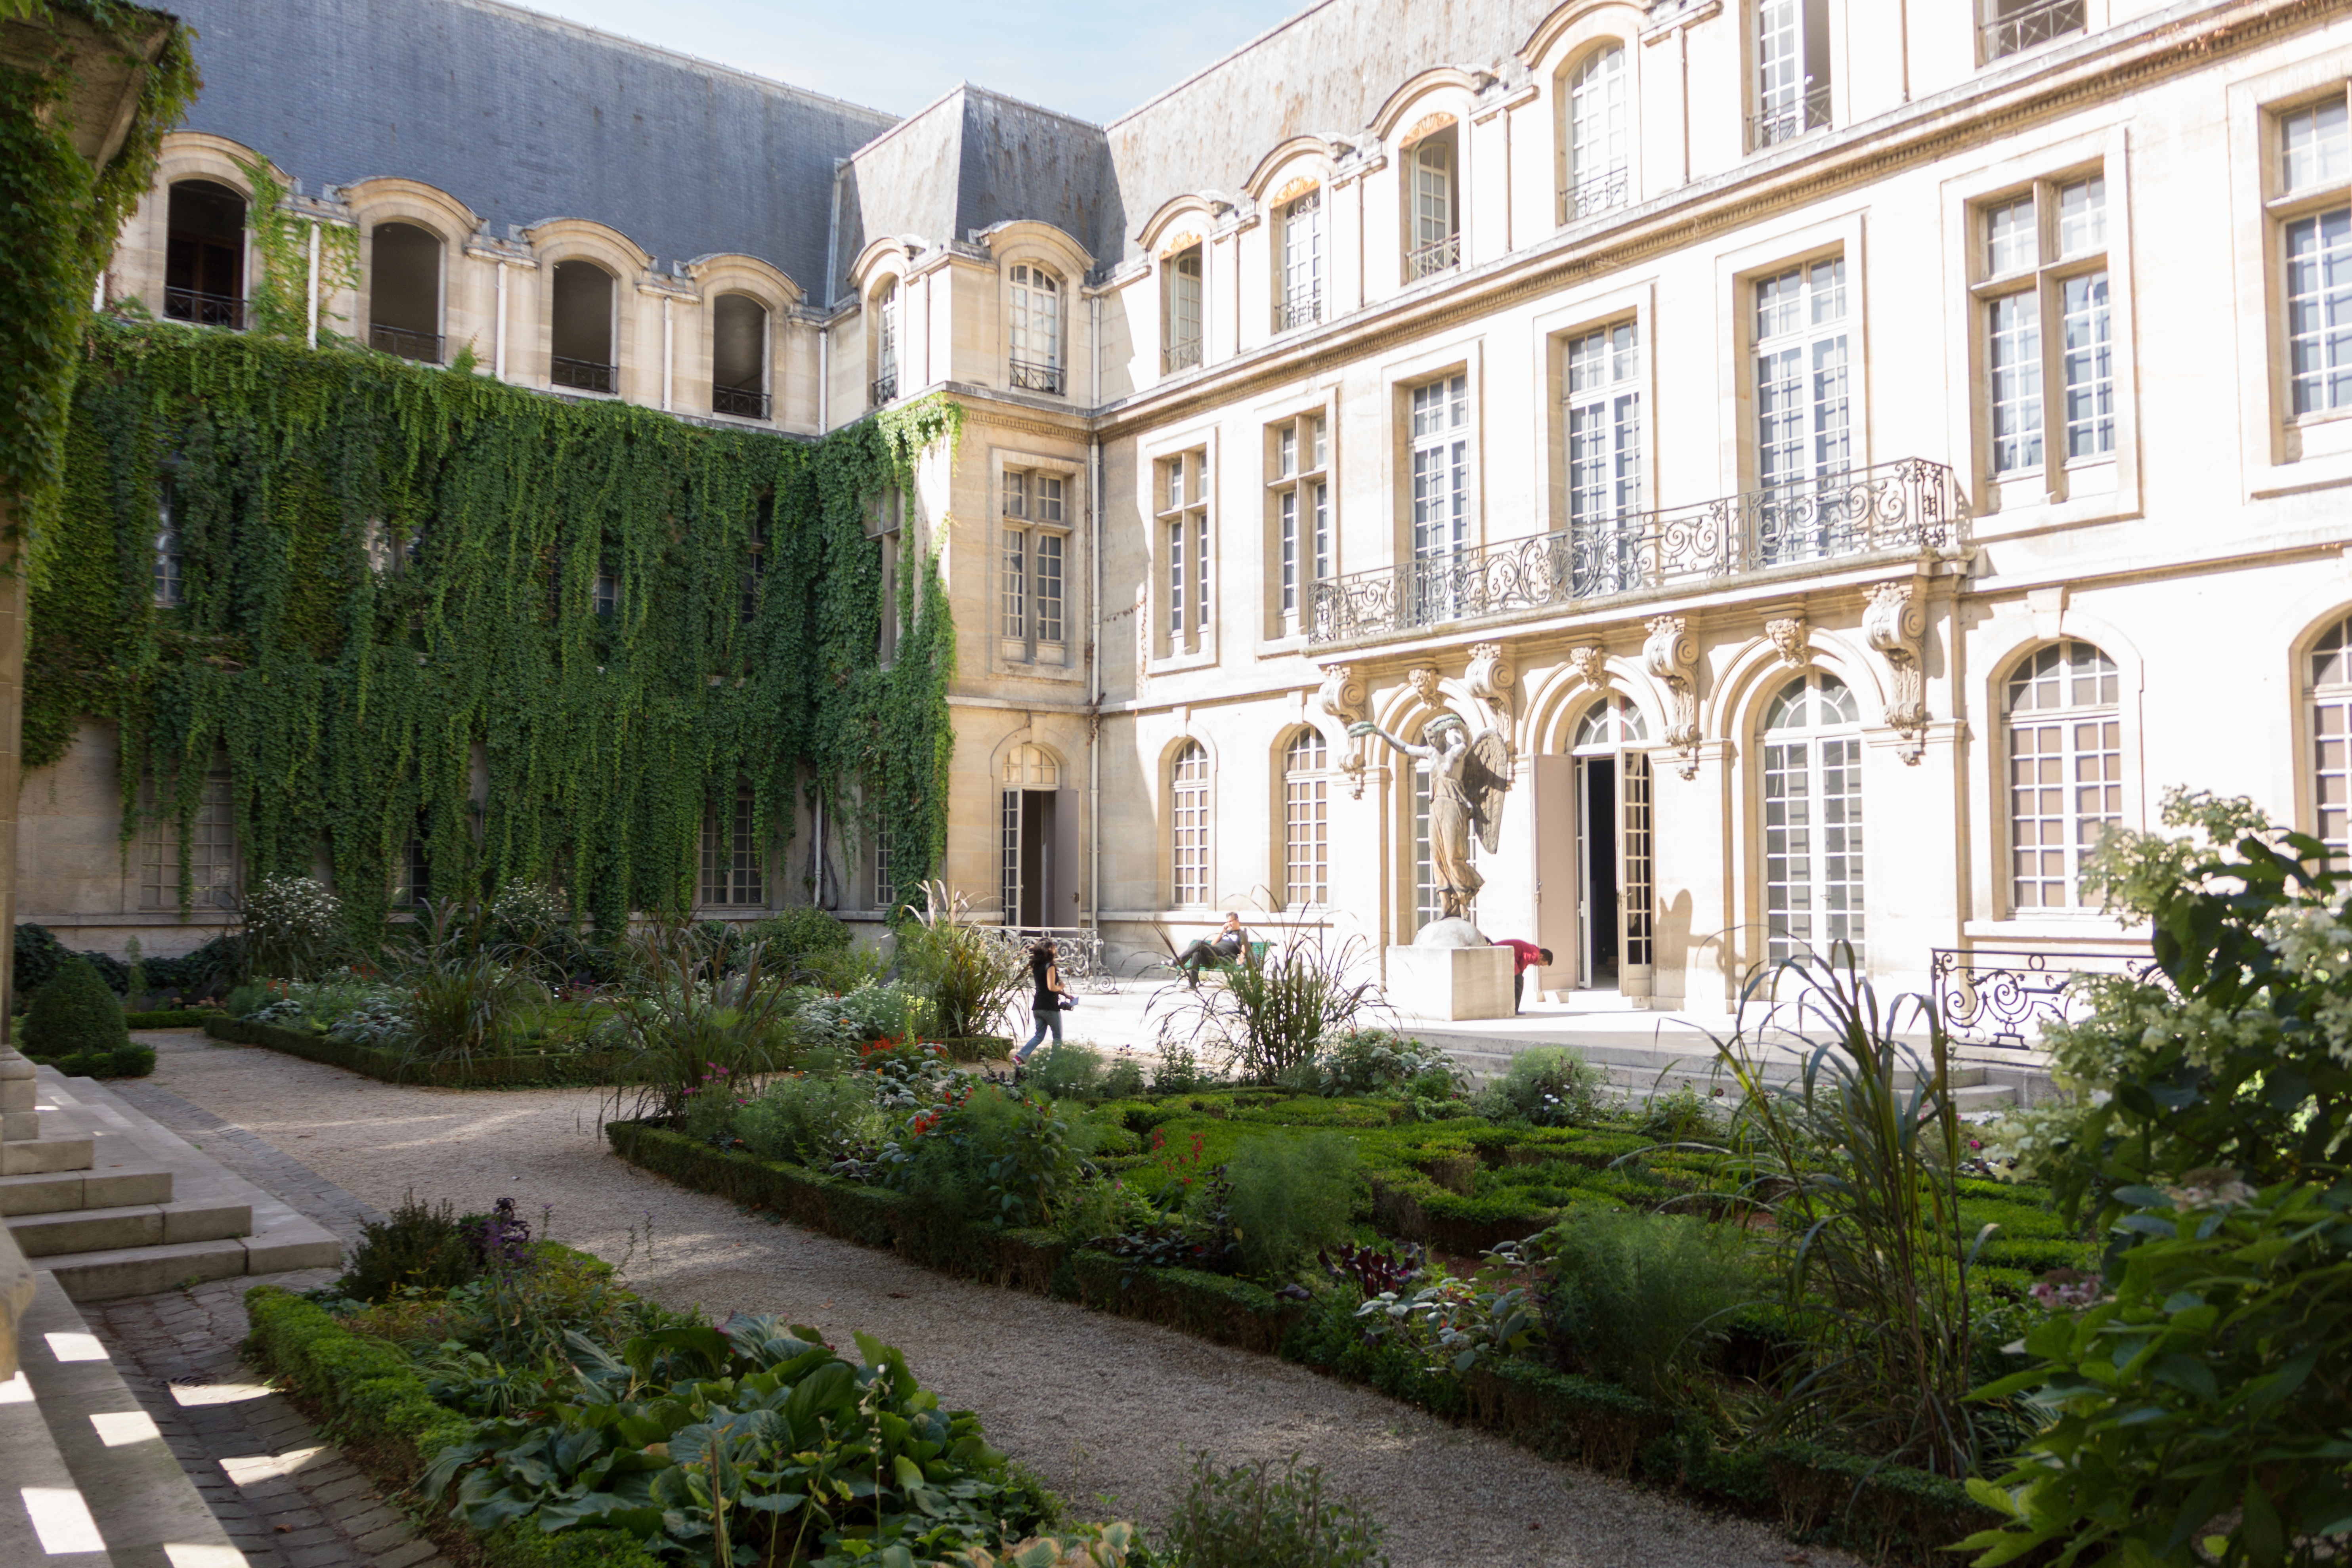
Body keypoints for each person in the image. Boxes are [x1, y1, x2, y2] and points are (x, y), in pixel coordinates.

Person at [1015, 940, 1072, 1062]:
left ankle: (1020, 1057)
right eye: (1054, 948)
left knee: (1039, 1036)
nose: (1056, 950)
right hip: (1049, 1007)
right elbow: (1052, 988)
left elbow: (1045, 987)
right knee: (1057, 1037)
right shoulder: (1050, 966)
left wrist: (1065, 995)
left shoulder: (1036, 965)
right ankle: (1054, 1063)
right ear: (1048, 950)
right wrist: (1062, 986)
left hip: (1038, 1007)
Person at [1174, 912, 1248, 987]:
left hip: (1223, 957)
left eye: (1231, 921)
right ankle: (1192, 984)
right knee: (1196, 954)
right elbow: (1213, 944)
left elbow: (1244, 948)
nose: (1229, 924)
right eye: (1228, 922)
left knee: (1200, 944)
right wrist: (1222, 932)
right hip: (1214, 955)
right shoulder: (1226, 932)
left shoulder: (1241, 934)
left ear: (1237, 920)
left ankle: (1178, 962)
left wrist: (1242, 957)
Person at [1492, 939, 1553, 1013]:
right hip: (1503, 953)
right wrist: (1520, 975)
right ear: (1541, 956)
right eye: (1541, 964)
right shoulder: (1535, 955)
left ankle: (1512, 1008)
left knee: (1518, 979)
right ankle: (1514, 1010)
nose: (1539, 966)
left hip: (1501, 950)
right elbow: (1523, 963)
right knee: (1519, 981)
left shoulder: (1535, 950)